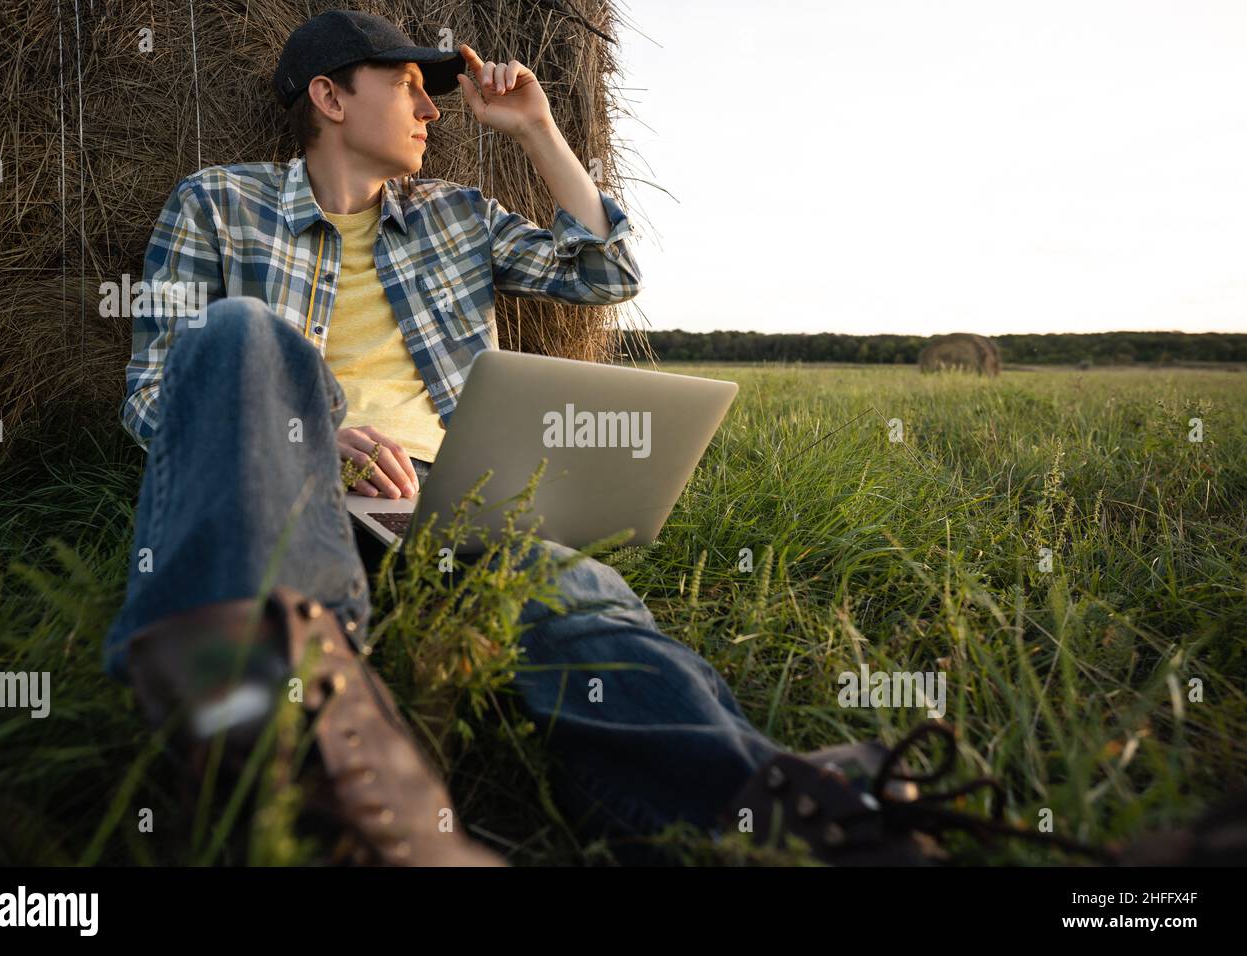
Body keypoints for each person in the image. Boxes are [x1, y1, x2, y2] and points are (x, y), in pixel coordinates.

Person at [102, 10, 972, 867]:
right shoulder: (219, 201)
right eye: (408, 86)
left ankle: (779, 819)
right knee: (242, 332)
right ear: (328, 97)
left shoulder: (456, 218)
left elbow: (606, 271)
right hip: (282, 481)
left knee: (578, 598)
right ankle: (293, 765)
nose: (432, 110)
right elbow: (155, 393)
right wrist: (315, 435)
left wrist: (539, 130)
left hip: (439, 501)